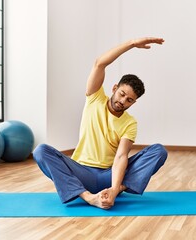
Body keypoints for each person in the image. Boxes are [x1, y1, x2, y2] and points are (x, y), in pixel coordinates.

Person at [33, 37, 167, 209]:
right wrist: (132, 44)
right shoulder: (95, 98)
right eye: (122, 94)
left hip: (109, 175)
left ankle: (115, 190)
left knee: (158, 151)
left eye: (129, 100)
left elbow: (121, 156)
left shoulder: (130, 123)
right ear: (114, 88)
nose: (122, 101)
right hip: (80, 173)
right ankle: (88, 197)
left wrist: (113, 188)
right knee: (41, 151)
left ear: (133, 103)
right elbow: (99, 64)